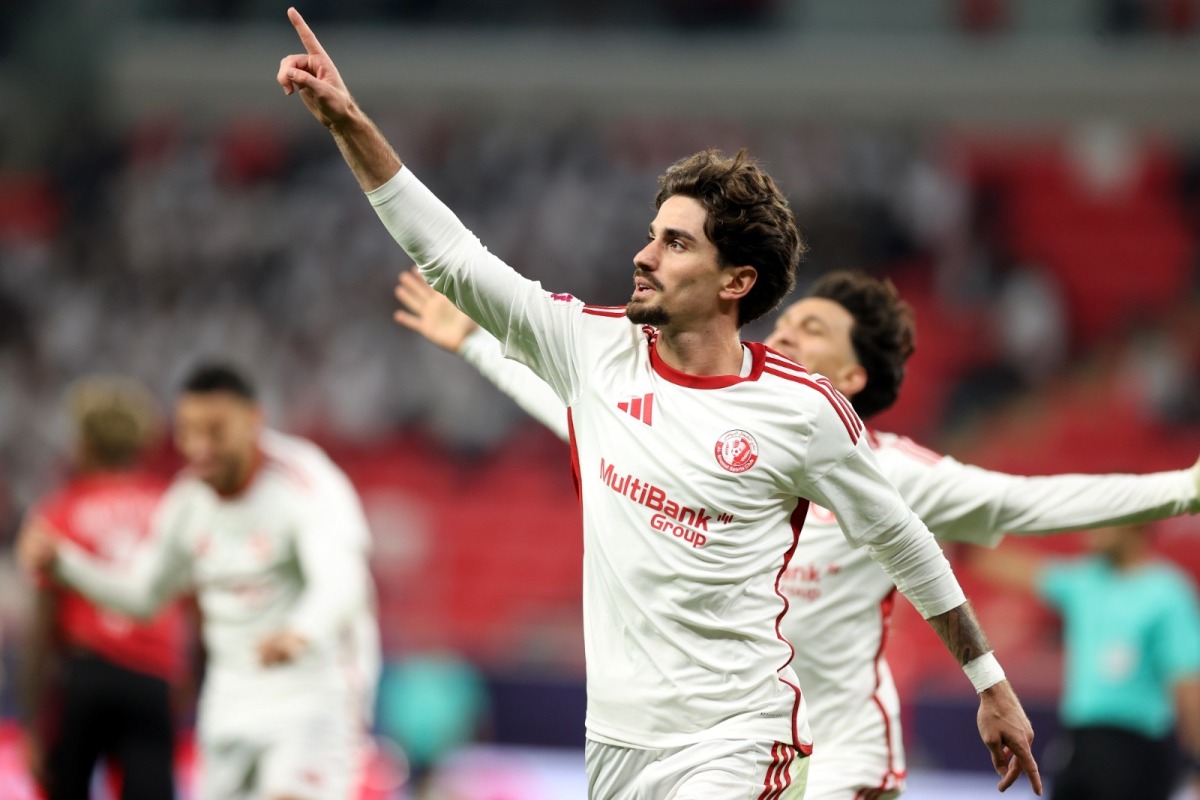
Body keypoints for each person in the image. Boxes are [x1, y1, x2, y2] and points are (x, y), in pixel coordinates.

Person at [278, 12, 1042, 797]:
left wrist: (991, 683)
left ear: (736, 281)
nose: (643, 255)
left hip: (738, 738)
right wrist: (351, 124)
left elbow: (902, 538)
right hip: (615, 745)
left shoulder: (801, 410)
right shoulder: (590, 347)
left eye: (677, 243)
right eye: (653, 234)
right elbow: (450, 256)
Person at [395, 266, 1200, 799]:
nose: (781, 335)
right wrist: (475, 342)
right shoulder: (719, 440)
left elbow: (1031, 503)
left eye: (811, 330)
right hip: (748, 747)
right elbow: (578, 416)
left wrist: (1186, 490)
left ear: (851, 379)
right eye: (786, 323)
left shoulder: (894, 472)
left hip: (844, 757)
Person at [17, 364, 378, 800]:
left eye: (215, 431)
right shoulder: (187, 502)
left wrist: (302, 630)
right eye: (189, 432)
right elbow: (143, 596)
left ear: (253, 421)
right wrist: (64, 564)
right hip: (229, 698)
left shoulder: (303, 481)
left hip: (309, 693)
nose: (200, 447)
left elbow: (343, 581)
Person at [17, 376, 186, 800]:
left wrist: (33, 721)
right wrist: (187, 684)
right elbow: (192, 605)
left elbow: (42, 624)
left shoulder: (58, 510)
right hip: (152, 677)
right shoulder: (170, 509)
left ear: (84, 443)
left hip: (84, 678)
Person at [972, 523, 1200, 800]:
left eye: (1105, 518)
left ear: (1135, 523)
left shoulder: (1169, 593)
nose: (1091, 526)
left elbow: (1187, 685)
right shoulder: (1086, 581)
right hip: (1080, 745)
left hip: (1136, 748)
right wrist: (950, 544)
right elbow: (1021, 570)